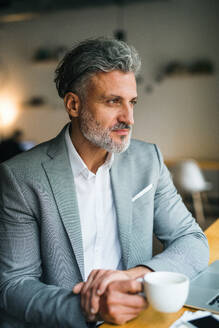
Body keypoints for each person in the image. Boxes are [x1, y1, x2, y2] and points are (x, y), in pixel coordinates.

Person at [0, 38, 209, 328]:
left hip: (136, 320)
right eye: (113, 102)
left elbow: (193, 240)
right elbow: (13, 285)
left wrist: (133, 275)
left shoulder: (147, 160)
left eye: (132, 102)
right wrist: (92, 309)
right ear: (73, 104)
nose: (129, 118)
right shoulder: (20, 177)